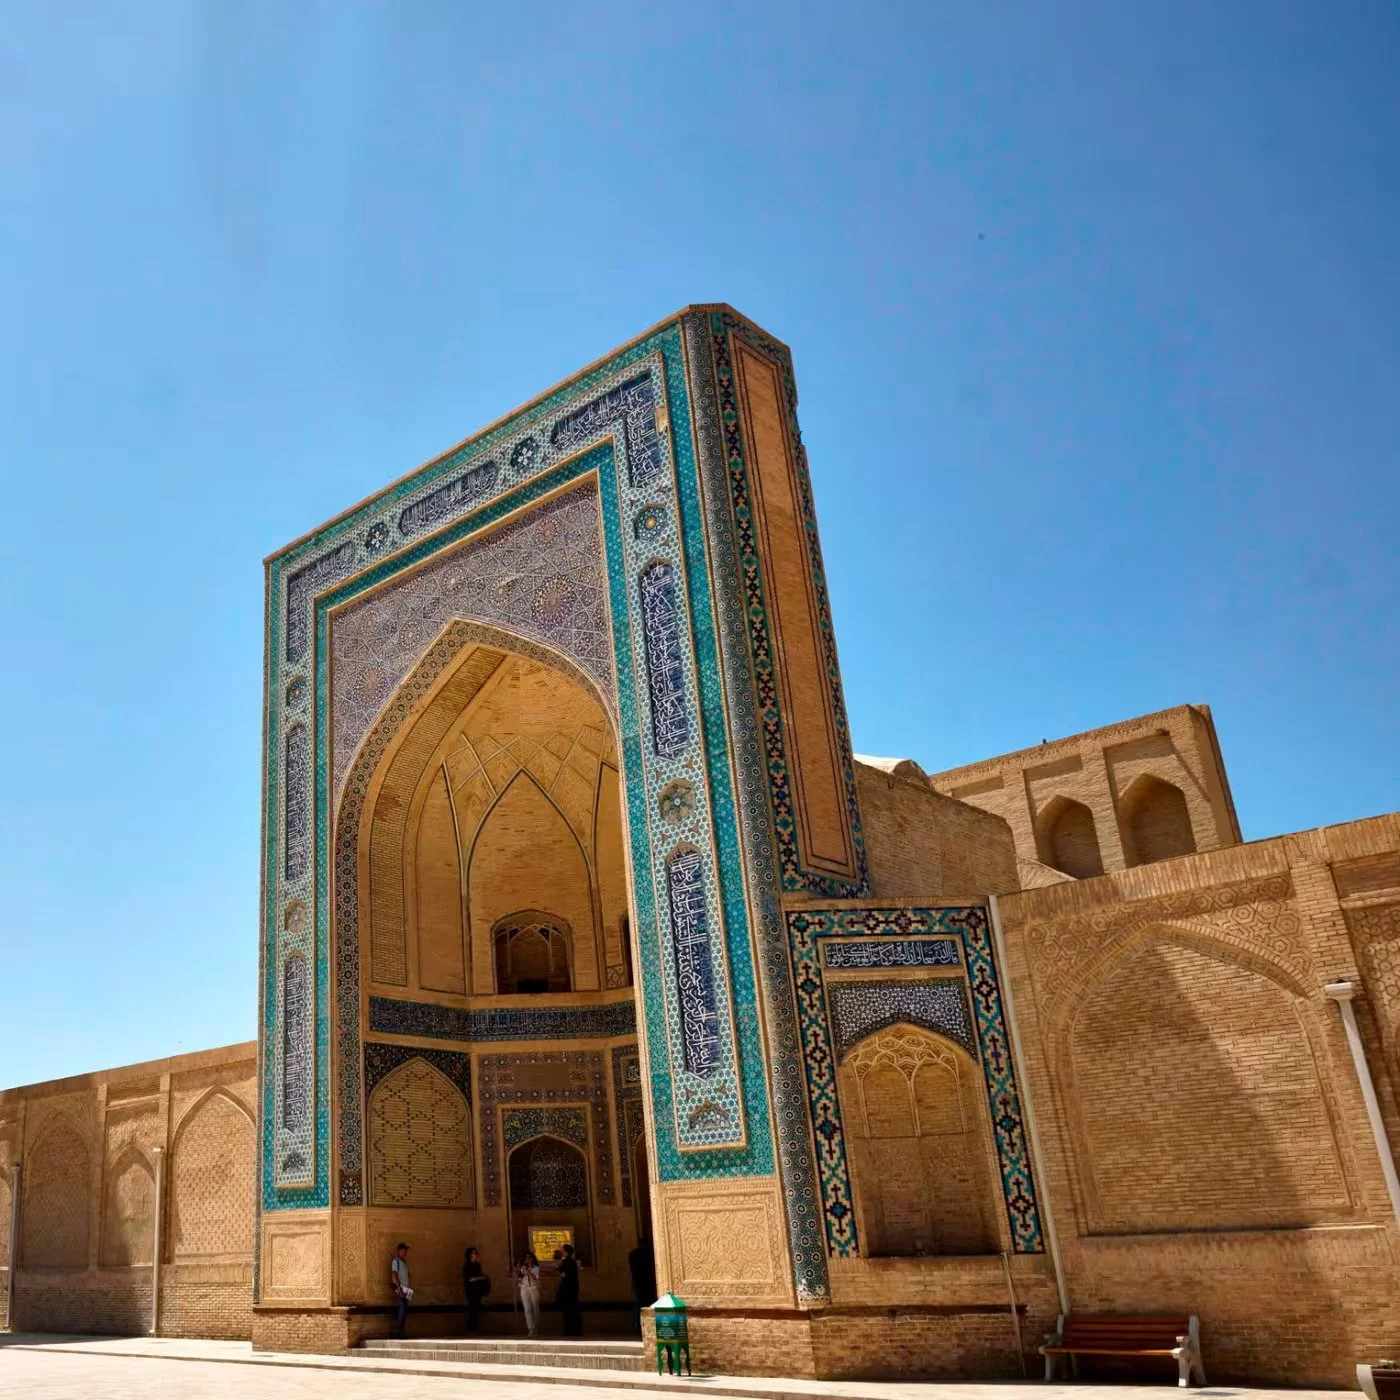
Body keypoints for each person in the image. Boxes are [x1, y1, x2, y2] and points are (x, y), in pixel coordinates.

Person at [627, 1238, 656, 1337]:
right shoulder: (652, 1254)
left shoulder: (633, 1255)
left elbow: (631, 1270)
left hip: (637, 1283)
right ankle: (650, 1327)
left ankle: (638, 1328)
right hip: (649, 1284)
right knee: (649, 1305)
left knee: (638, 1307)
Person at [555, 1242, 582, 1336]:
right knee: (571, 1309)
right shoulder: (570, 1260)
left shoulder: (568, 1261)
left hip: (568, 1289)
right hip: (572, 1288)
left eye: (562, 1250)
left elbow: (563, 1273)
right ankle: (573, 1330)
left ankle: (570, 1330)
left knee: (569, 1310)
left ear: (566, 1252)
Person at [463, 1246, 490, 1333]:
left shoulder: (477, 1265)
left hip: (477, 1290)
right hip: (471, 1290)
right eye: (475, 1253)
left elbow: (479, 1275)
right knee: (473, 1308)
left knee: (477, 1308)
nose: (476, 1255)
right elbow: (469, 1279)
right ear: (471, 1255)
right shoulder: (467, 1266)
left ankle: (475, 1328)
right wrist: (479, 1278)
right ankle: (471, 1328)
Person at [389, 1242, 413, 1339]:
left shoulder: (403, 1262)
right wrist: (399, 1289)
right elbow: (394, 1275)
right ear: (398, 1251)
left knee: (404, 1310)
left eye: (406, 1251)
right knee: (402, 1310)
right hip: (400, 1289)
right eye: (403, 1251)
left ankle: (401, 1331)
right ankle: (398, 1331)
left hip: (405, 1289)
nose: (405, 1253)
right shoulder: (396, 1261)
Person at [515, 1251, 541, 1337]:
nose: (528, 1259)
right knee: (527, 1309)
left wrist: (529, 1271)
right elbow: (519, 1277)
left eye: (529, 1257)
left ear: (532, 1259)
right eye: (526, 1258)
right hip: (524, 1288)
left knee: (535, 1309)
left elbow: (535, 1277)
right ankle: (531, 1329)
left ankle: (536, 1328)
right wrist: (520, 1271)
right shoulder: (523, 1268)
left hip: (533, 1288)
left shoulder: (535, 1268)